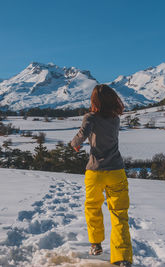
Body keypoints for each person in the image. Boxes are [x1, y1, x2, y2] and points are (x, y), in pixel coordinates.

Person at [70, 84, 133, 267]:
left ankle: (96, 244)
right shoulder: (115, 119)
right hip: (116, 171)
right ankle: (122, 258)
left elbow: (83, 134)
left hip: (95, 171)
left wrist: (74, 144)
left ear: (94, 101)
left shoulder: (90, 117)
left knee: (92, 207)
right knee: (119, 214)